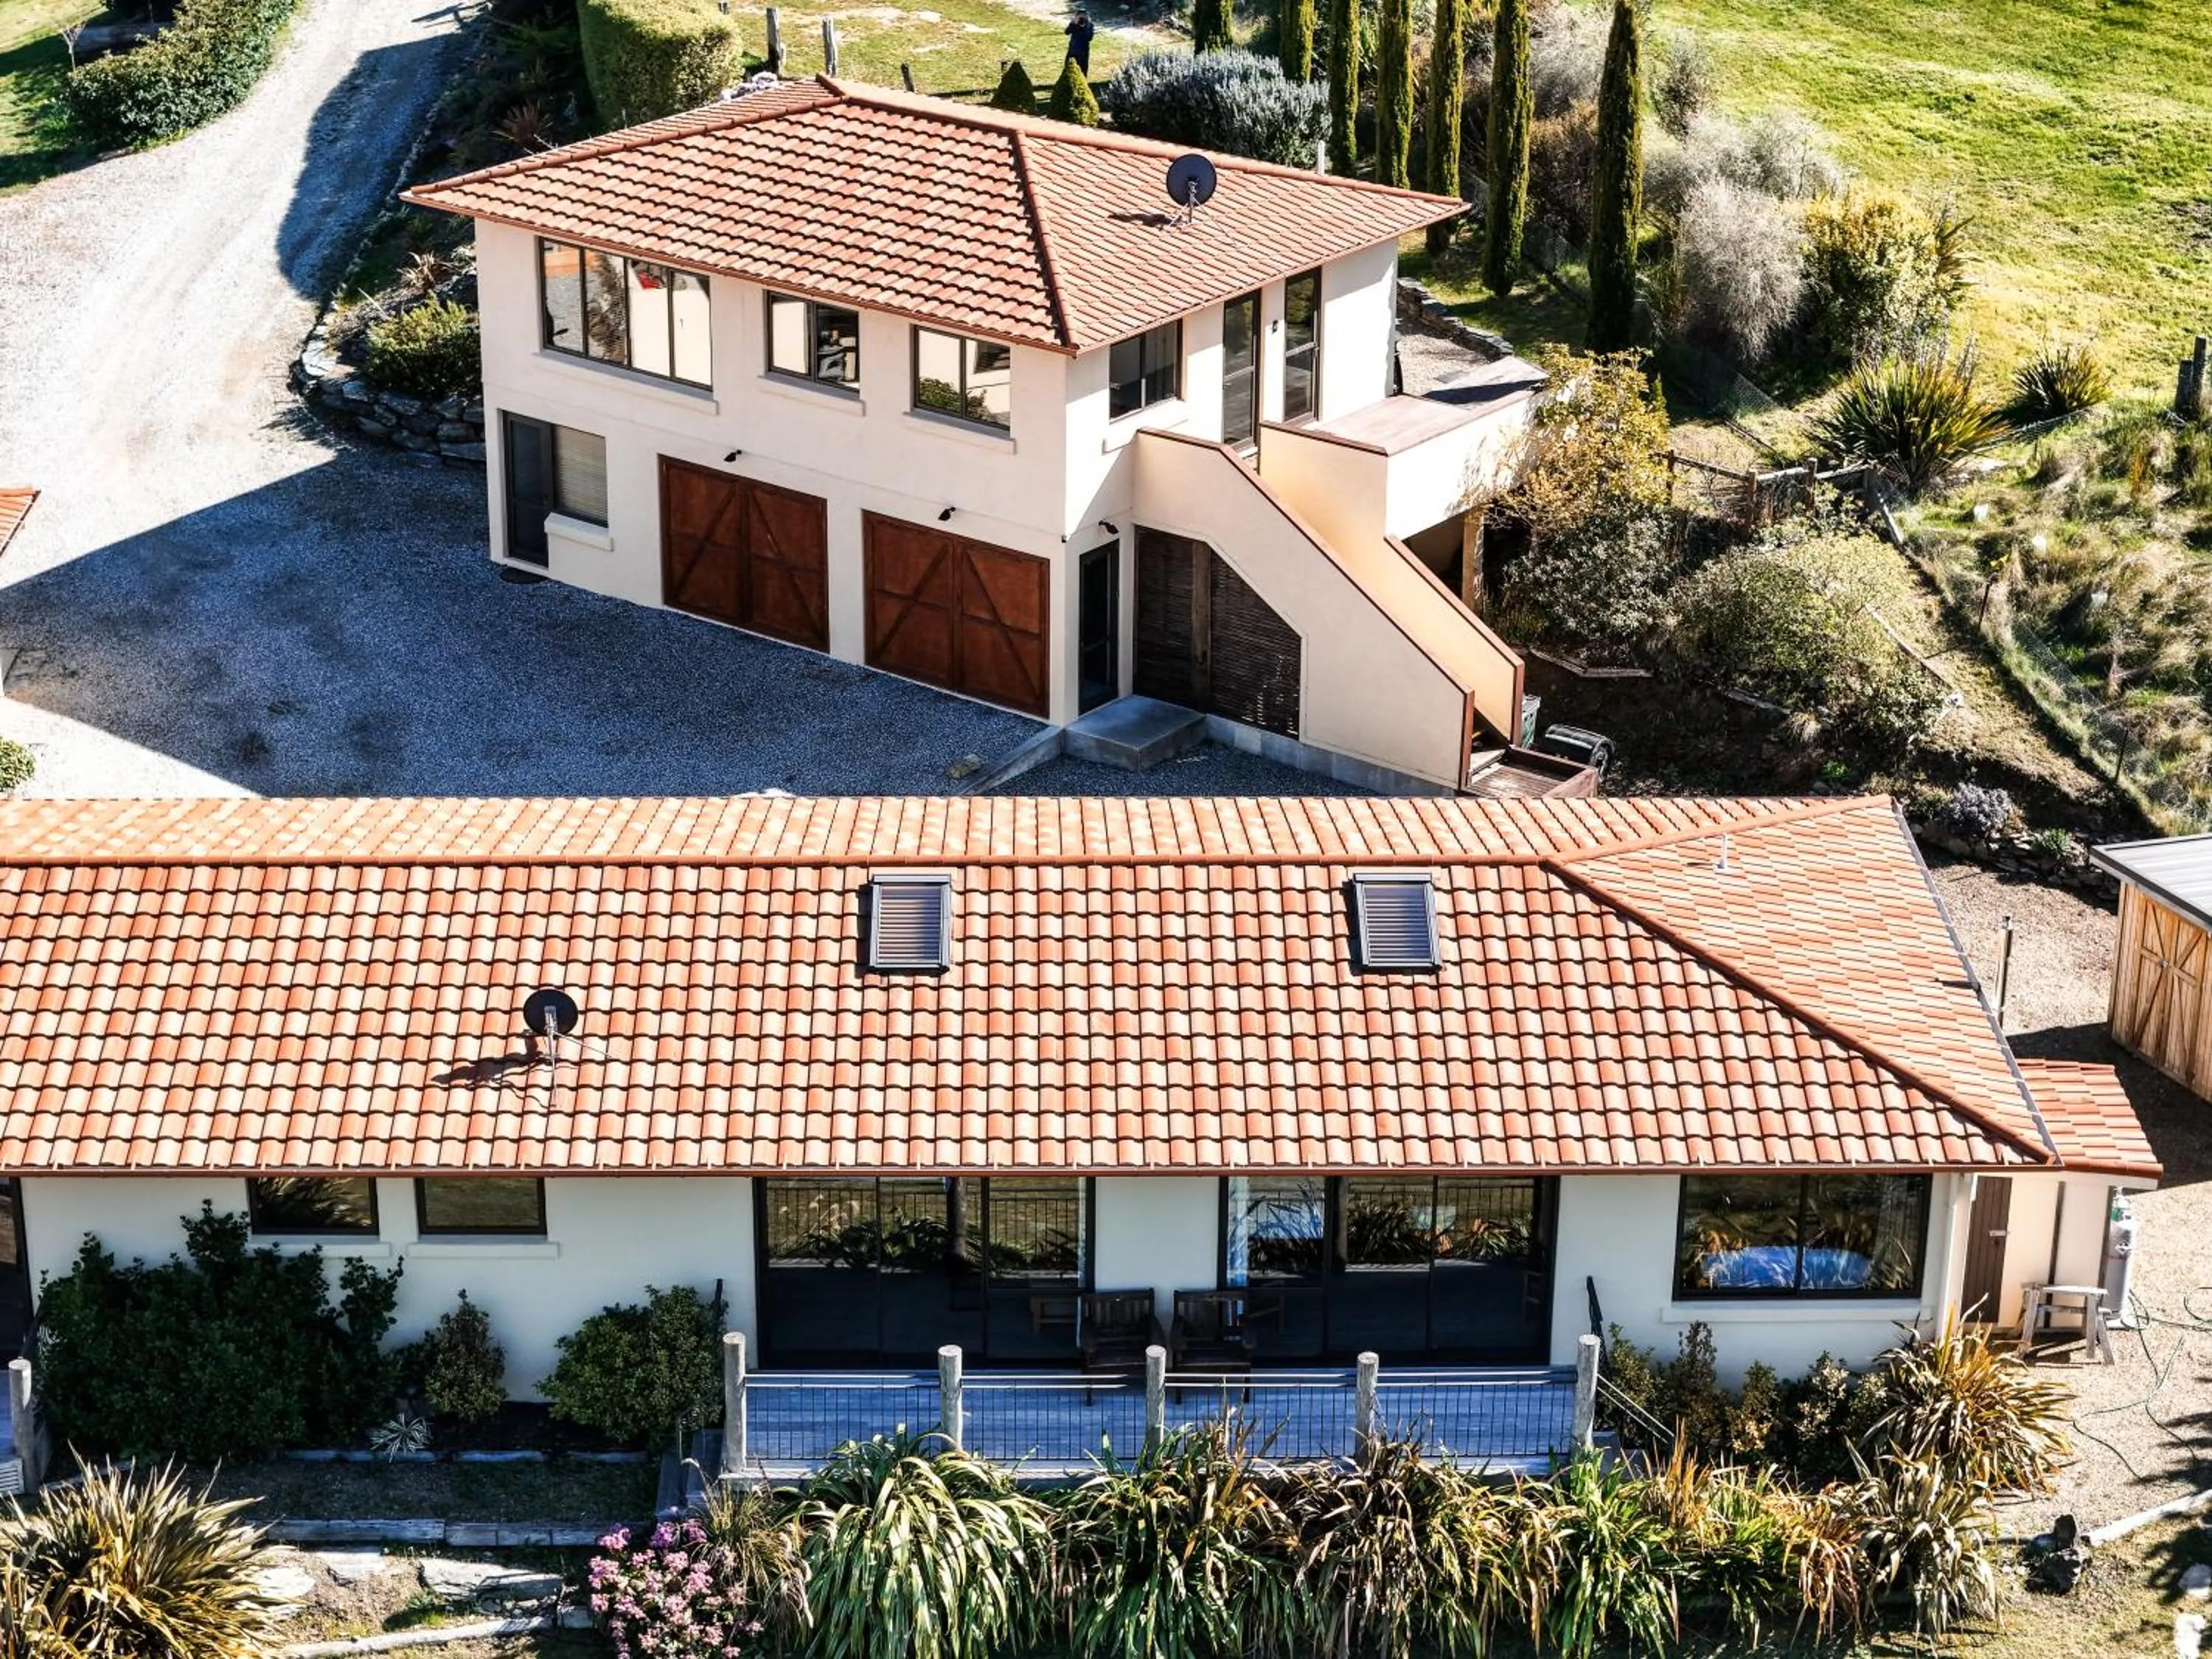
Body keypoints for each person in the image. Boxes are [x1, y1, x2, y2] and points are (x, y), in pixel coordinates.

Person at [1064, 7, 1095, 72]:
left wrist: (1083, 28)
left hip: (1083, 51)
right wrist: (1073, 24)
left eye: (1083, 16)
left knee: (1083, 69)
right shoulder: (1074, 23)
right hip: (1073, 49)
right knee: (1069, 67)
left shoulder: (1090, 25)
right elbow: (1067, 32)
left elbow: (1089, 38)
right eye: (1080, 16)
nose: (1081, 18)